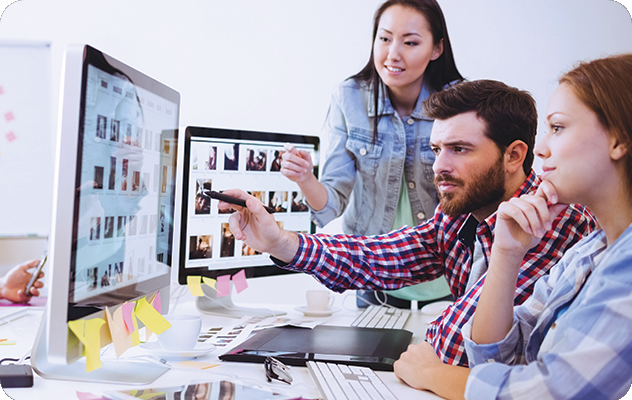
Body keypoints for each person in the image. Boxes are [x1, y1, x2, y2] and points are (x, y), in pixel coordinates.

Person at [219, 79, 597, 367]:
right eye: (436, 149)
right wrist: (280, 242)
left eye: (459, 149)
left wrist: (424, 356)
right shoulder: (461, 211)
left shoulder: (553, 222)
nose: (439, 166)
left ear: (514, 155)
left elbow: (452, 345)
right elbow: (381, 256)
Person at [392, 54, 632, 399]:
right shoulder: (590, 252)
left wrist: (433, 373)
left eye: (558, 127)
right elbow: (497, 357)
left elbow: (549, 392)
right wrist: (506, 253)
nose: (543, 148)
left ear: (618, 139)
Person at [280, 0, 463, 309]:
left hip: (448, 283)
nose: (393, 53)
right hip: (374, 286)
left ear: (436, 48)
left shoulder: (459, 103)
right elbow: (332, 203)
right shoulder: (348, 97)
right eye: (385, 38)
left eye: (410, 42)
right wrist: (305, 178)